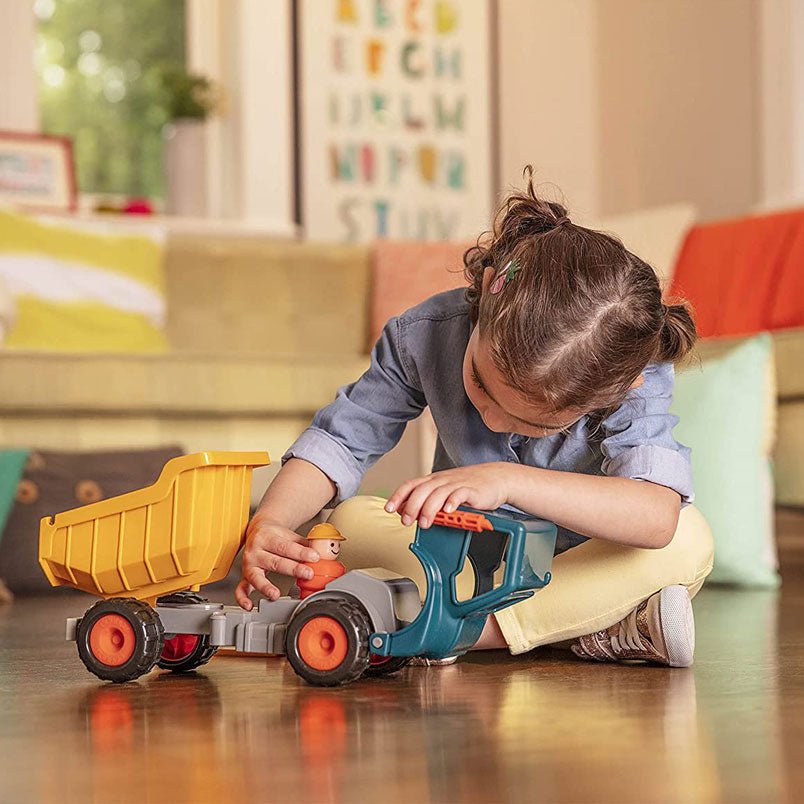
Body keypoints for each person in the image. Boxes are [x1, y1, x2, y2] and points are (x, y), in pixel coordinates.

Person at [236, 168, 714, 668]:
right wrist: (271, 522)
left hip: (581, 561)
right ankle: (596, 627)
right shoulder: (423, 334)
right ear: (489, 291)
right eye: (480, 385)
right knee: (347, 524)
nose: (491, 417)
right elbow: (340, 442)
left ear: (622, 387)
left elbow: (656, 516)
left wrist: (507, 480)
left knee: (686, 538)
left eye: (534, 423)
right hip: (464, 559)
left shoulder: (630, 375)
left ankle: (461, 629)